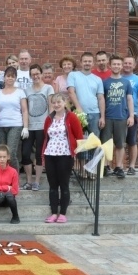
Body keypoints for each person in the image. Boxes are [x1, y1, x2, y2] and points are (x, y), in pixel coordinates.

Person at [42, 93, 84, 223]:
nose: (56, 105)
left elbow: (79, 136)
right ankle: (54, 213)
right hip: (50, 153)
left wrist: (77, 153)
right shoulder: (49, 118)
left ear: (65, 102)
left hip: (65, 154)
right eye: (54, 102)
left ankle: (63, 213)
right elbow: (46, 135)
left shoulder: (71, 117)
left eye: (59, 102)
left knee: (64, 184)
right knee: (53, 185)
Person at [101, 55, 135, 179]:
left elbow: (130, 99)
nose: (116, 66)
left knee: (120, 144)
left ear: (121, 66)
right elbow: (102, 100)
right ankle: (105, 166)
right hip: (108, 117)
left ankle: (119, 167)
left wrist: (131, 116)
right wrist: (102, 117)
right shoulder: (105, 82)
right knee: (105, 143)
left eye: (118, 64)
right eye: (114, 64)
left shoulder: (126, 83)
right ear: (110, 66)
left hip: (121, 117)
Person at [22, 64, 54, 190]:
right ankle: (29, 181)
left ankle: (36, 181)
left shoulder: (48, 88)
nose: (35, 76)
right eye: (33, 74)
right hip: (29, 127)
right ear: (30, 76)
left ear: (41, 74)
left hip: (42, 126)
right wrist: (25, 126)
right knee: (25, 154)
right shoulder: (27, 90)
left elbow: (51, 106)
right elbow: (25, 108)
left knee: (40, 155)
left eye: (37, 74)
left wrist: (50, 124)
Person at [0, 67, 29, 173]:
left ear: (15, 78)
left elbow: (25, 110)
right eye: (8, 76)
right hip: (0, 126)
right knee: (1, 154)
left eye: (12, 76)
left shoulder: (20, 92)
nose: (10, 78)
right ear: (4, 77)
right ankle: (3, 178)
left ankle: (14, 179)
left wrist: (25, 127)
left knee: (11, 153)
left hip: (15, 125)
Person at [67, 52, 105, 137]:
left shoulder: (98, 79)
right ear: (81, 62)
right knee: (80, 140)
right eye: (85, 61)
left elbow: (101, 98)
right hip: (78, 113)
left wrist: (102, 117)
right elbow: (71, 92)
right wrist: (78, 108)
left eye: (89, 61)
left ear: (93, 63)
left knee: (94, 141)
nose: (87, 63)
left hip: (95, 114)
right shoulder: (73, 75)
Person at [122, 55, 138, 176]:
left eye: (129, 63)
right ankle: (120, 166)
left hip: (133, 113)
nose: (127, 65)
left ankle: (131, 166)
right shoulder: (118, 78)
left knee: (131, 141)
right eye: (125, 63)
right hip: (118, 114)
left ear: (134, 65)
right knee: (118, 142)